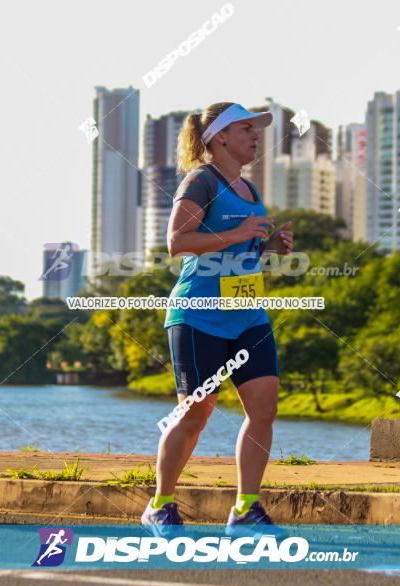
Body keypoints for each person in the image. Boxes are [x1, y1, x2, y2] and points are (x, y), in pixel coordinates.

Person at [140, 102, 294, 538]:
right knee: (196, 414)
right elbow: (178, 242)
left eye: (256, 129)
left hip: (248, 315)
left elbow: (238, 252)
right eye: (247, 128)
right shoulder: (201, 181)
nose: (256, 135)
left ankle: (246, 509)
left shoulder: (248, 188)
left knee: (264, 409)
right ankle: (160, 505)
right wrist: (240, 233)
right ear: (220, 136)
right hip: (199, 315)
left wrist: (270, 248)